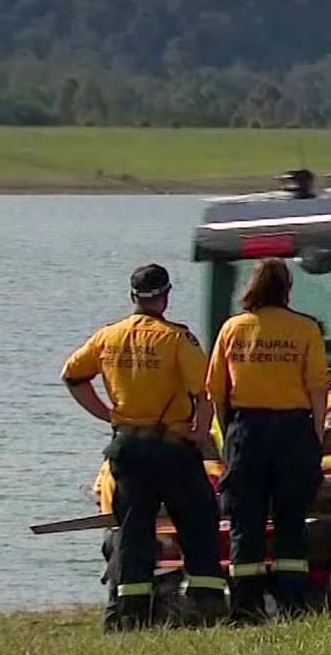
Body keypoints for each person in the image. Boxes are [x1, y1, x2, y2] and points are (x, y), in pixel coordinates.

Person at [62, 264, 226, 630]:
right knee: (198, 523)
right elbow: (206, 390)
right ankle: (208, 603)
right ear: (165, 297)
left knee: (134, 532)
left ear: (133, 297)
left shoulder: (108, 336)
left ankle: (130, 615)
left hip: (128, 449)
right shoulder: (177, 339)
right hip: (173, 449)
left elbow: (73, 376)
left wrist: (106, 414)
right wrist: (200, 432)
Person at [207, 258, 330, 621]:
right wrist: (316, 436)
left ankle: (246, 608)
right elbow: (318, 388)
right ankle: (292, 605)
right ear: (287, 289)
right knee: (292, 521)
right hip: (294, 431)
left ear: (252, 287)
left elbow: (216, 391)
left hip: (246, 430)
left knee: (246, 522)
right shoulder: (305, 329)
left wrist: (230, 433)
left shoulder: (233, 329)